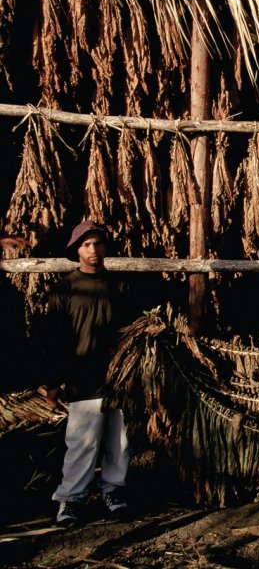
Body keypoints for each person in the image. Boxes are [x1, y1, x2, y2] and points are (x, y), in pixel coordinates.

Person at [41, 221, 135, 525]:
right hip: (82, 375)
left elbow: (134, 333)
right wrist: (52, 381)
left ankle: (114, 491)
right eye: (86, 245)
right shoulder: (64, 288)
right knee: (82, 441)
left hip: (119, 375)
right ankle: (70, 499)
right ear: (76, 251)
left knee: (119, 440)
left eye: (98, 244)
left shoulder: (121, 287)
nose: (93, 250)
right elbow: (52, 339)